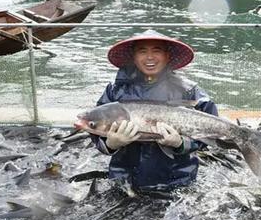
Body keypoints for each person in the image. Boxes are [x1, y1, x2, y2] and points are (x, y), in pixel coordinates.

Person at [91, 30, 218, 193]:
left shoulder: (189, 91)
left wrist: (181, 144)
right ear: (133, 57)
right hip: (124, 178)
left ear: (167, 56)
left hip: (178, 180)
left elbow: (211, 132)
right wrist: (110, 144)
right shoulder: (115, 91)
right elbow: (94, 131)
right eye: (142, 51)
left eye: (156, 50)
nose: (149, 57)